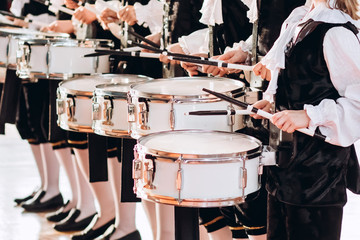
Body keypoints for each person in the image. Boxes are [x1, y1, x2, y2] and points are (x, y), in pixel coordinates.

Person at [250, 0, 360, 239]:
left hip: (318, 180)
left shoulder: (336, 32)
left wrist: (309, 115)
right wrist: (273, 104)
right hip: (284, 174)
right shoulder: (299, 20)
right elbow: (303, 85)